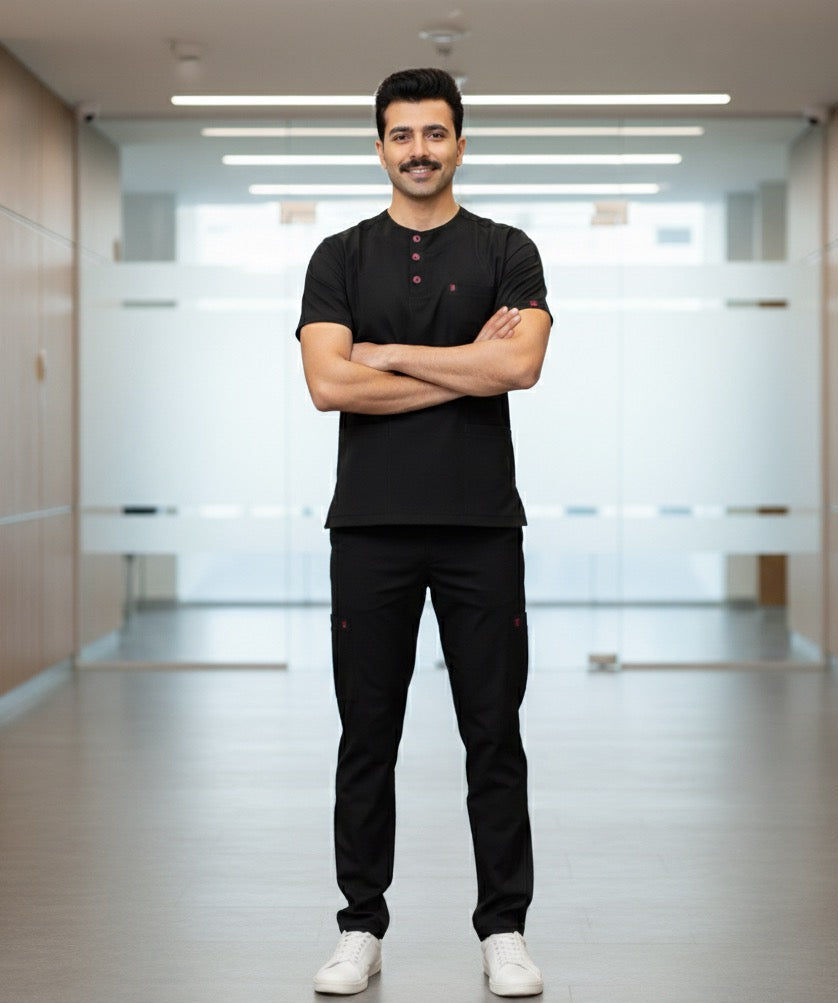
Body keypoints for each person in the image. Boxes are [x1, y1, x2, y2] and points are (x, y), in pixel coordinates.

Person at [296, 67, 552, 998]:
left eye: (435, 133)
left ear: (460, 144)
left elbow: (519, 368)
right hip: (370, 529)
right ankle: (359, 927)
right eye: (402, 135)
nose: (419, 150)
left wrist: (395, 355)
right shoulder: (338, 257)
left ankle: (505, 929)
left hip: (482, 527)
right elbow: (328, 384)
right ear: (379, 148)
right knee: (367, 734)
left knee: (494, 732)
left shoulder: (507, 250)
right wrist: (466, 364)